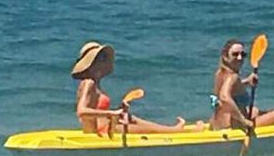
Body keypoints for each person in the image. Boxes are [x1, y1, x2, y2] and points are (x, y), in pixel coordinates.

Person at [72, 41, 203, 135]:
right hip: (102, 132)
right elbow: (82, 112)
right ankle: (177, 131)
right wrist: (111, 114)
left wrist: (118, 111)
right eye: (102, 58)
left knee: (129, 117)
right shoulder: (89, 83)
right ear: (93, 63)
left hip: (107, 128)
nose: (105, 60)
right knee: (147, 129)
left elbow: (95, 111)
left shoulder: (92, 83)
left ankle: (175, 129)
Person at [210, 39, 274, 131]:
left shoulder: (220, 73)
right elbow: (224, 97)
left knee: (255, 111)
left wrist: (247, 81)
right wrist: (243, 120)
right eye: (235, 54)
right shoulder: (233, 76)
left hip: (218, 125)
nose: (240, 58)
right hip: (234, 127)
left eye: (243, 55)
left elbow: (231, 88)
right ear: (225, 56)